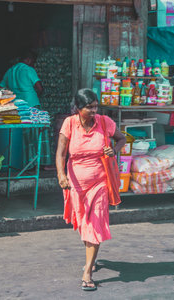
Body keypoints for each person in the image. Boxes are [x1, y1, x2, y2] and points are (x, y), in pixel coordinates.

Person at [56, 88, 126, 291]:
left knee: (95, 222)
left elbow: (122, 139)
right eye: (89, 107)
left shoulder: (105, 122)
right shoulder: (69, 124)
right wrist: (61, 175)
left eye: (96, 106)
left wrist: (113, 150)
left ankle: (87, 271)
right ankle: (92, 257)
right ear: (78, 108)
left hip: (100, 181)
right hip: (76, 182)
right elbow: (60, 154)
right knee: (83, 223)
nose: (94, 110)